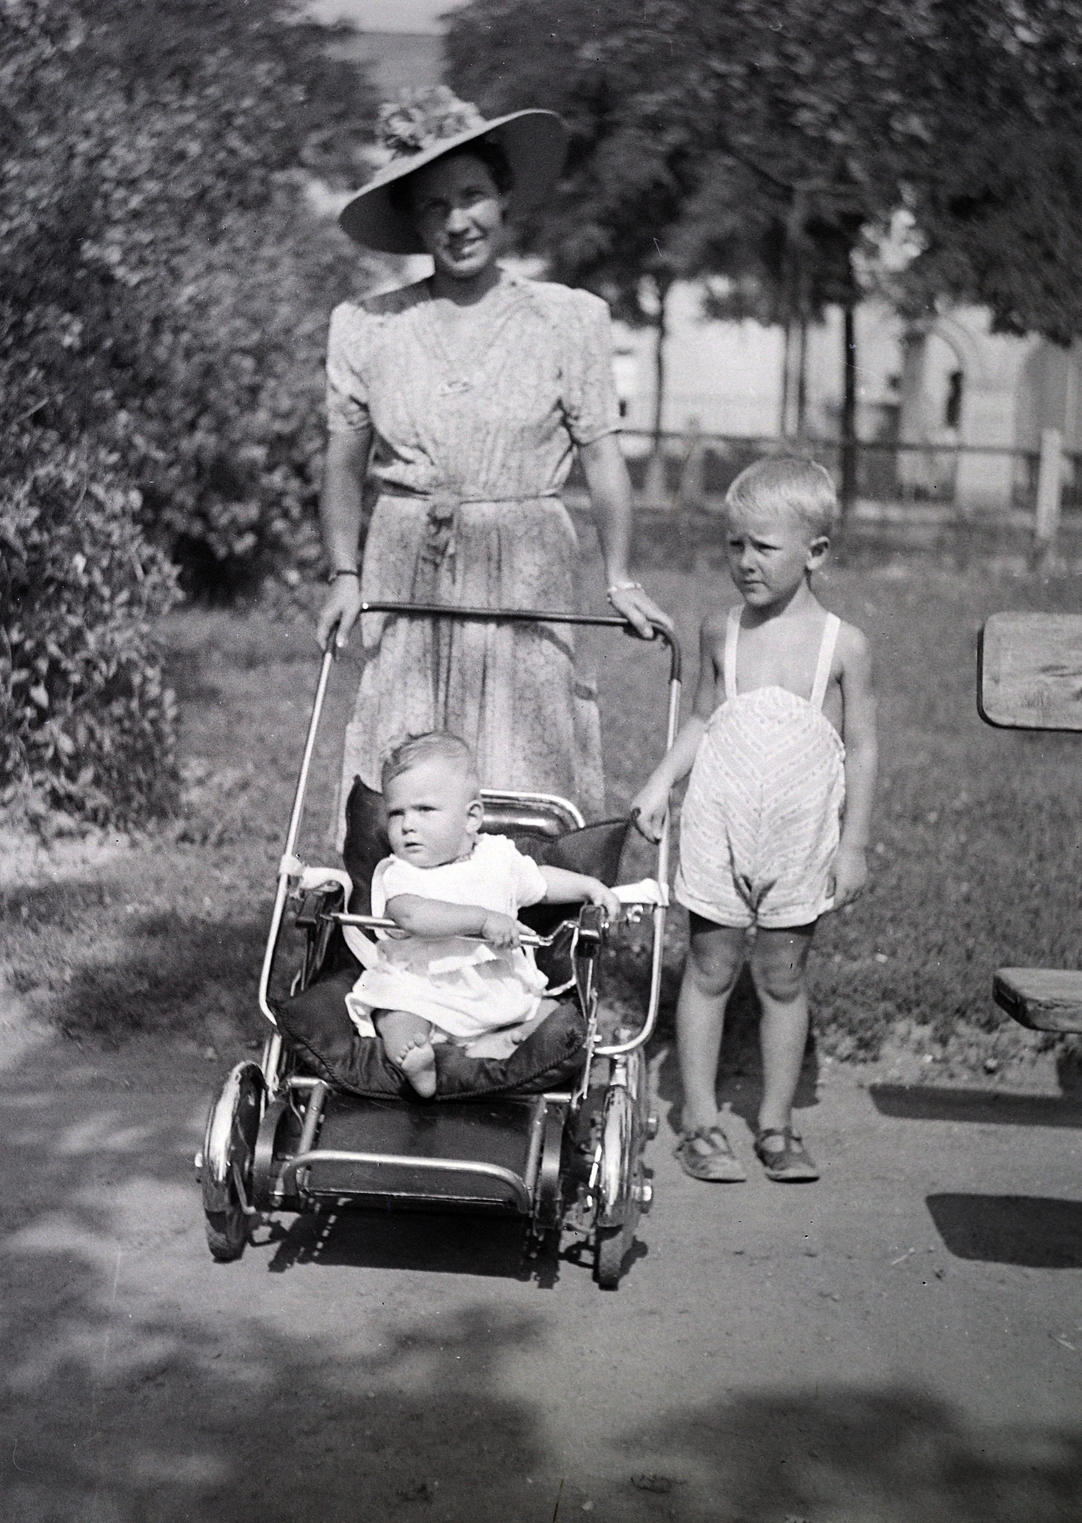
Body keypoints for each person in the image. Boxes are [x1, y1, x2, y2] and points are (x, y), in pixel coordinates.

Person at [315, 87, 671, 826]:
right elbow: (343, 460)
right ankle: (395, 926)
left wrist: (621, 576)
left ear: (504, 199)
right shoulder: (368, 326)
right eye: (435, 206)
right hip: (407, 563)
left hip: (526, 562)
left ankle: (532, 925)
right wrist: (344, 573)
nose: (458, 221)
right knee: (404, 759)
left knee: (526, 756)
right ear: (415, 222)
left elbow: (603, 459)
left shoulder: (568, 319)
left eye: (473, 195)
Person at [631, 458, 878, 1182]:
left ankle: (776, 1120)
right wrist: (658, 784)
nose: (745, 562)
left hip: (800, 838)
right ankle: (700, 1120)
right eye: (734, 544)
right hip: (719, 826)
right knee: (708, 968)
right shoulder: (722, 630)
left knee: (782, 975)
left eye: (763, 547)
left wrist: (855, 842)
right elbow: (703, 717)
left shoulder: (845, 646)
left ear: (816, 553)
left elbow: (862, 749)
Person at [347, 732, 621, 1099]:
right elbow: (412, 915)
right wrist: (482, 919)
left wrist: (588, 886)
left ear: (471, 817)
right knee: (392, 1012)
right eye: (397, 813)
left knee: (549, 1009)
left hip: (493, 988)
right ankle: (416, 1058)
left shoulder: (497, 858)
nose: (407, 824)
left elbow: (539, 881)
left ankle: (496, 1041)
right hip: (422, 988)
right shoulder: (402, 873)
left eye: (424, 810)